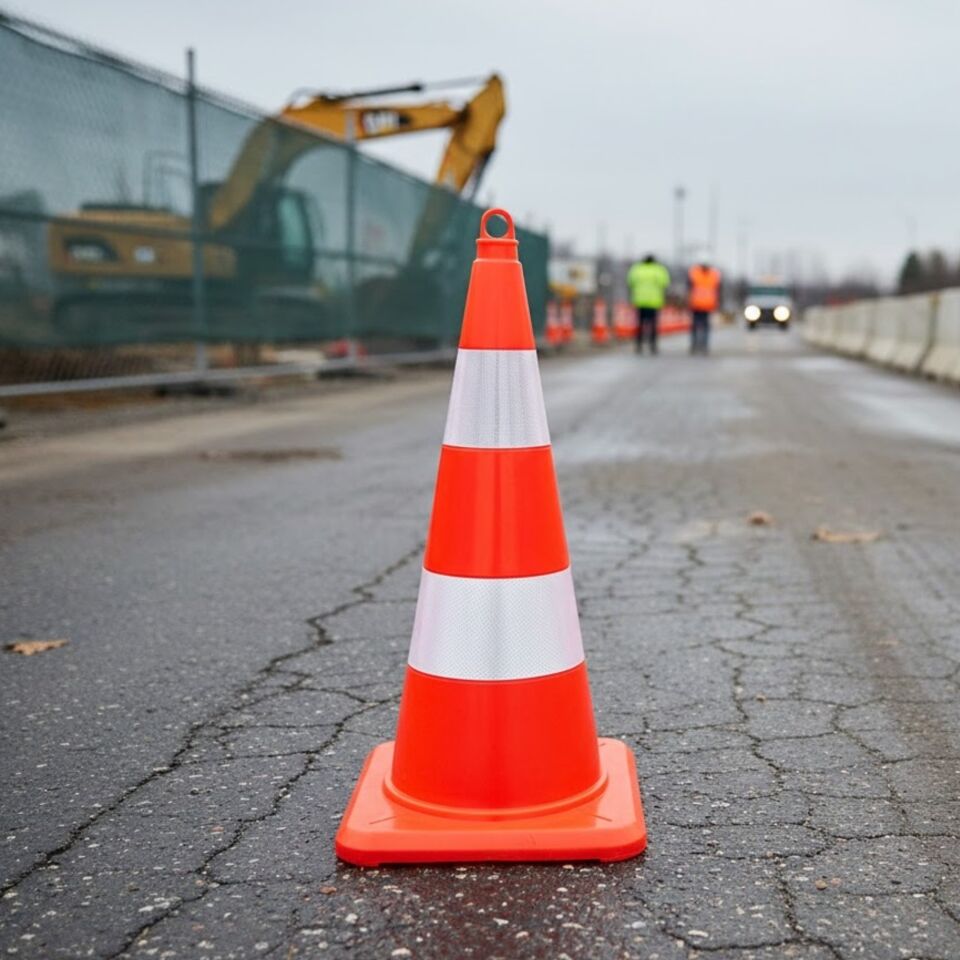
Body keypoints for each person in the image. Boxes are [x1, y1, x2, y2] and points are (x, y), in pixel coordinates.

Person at [626, 254, 671, 354]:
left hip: (640, 301)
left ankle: (639, 345)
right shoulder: (659, 270)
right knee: (653, 325)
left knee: (640, 324)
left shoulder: (637, 269)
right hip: (654, 302)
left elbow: (630, 282)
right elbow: (665, 283)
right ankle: (653, 345)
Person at [687, 261, 722, 354]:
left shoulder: (694, 273)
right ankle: (702, 346)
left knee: (697, 326)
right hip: (703, 304)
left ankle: (696, 346)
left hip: (701, 304)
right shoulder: (713, 274)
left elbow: (689, 288)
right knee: (703, 326)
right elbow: (718, 289)